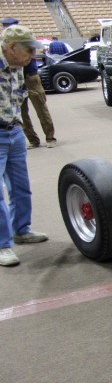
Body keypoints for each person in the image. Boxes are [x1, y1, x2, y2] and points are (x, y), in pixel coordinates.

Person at [0, 25, 49, 266]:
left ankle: (21, 229)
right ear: (12, 47)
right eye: (29, 50)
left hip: (14, 131)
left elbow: (18, 96)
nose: (33, 55)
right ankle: (2, 245)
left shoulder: (18, 66)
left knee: (20, 187)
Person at [2, 18, 57, 149]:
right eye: (5, 25)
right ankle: (33, 140)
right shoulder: (7, 45)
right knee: (21, 112)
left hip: (30, 77)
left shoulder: (24, 39)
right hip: (14, 78)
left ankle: (50, 137)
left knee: (41, 108)